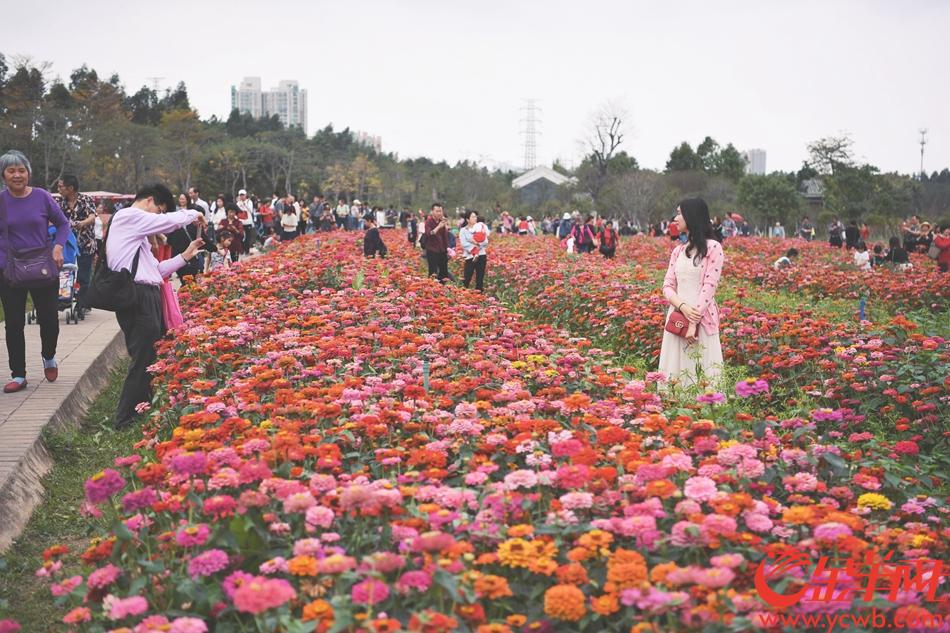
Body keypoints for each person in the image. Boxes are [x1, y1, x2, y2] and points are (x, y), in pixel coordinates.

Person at [105, 183, 205, 428]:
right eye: (159, 210)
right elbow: (167, 223)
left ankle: (142, 408)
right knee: (144, 357)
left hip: (147, 294)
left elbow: (155, 271)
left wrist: (185, 256)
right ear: (150, 201)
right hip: (136, 296)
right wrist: (192, 214)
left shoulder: (137, 238)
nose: (158, 217)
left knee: (151, 354)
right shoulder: (128, 216)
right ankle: (125, 418)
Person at [0, 151, 70, 392]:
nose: (17, 175)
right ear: (4, 176)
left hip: (42, 265)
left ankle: (48, 356)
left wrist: (58, 248)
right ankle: (18, 374)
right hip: (10, 269)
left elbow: (63, 223)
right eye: (11, 171)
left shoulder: (41, 196)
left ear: (28, 172)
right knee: (14, 323)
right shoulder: (1, 201)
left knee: (50, 319)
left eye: (21, 170)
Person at [658, 198, 724, 388]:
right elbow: (667, 286)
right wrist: (682, 307)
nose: (675, 218)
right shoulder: (678, 251)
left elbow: (709, 287)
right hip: (678, 317)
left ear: (692, 216)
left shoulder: (713, 248)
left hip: (700, 320)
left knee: (700, 373)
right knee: (676, 373)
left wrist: (693, 322)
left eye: (679, 213)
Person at [56, 175, 96, 317]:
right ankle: (64, 299)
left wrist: (83, 223)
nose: (58, 189)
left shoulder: (86, 200)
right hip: (67, 245)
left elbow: (92, 216)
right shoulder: (59, 203)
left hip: (85, 243)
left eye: (61, 186)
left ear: (70, 188)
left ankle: (82, 304)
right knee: (66, 271)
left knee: (84, 276)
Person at [459, 210, 489, 290]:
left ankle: (479, 297)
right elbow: (464, 244)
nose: (475, 218)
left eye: (476, 216)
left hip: (482, 255)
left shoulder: (480, 228)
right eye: (473, 217)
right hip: (470, 256)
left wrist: (477, 244)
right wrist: (474, 248)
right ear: (467, 219)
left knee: (480, 278)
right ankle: (463, 296)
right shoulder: (463, 230)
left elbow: (486, 241)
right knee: (467, 278)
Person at [423, 203, 450, 282]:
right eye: (437, 211)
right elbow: (429, 233)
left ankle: (443, 288)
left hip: (442, 250)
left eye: (440, 211)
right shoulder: (429, 221)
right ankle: (432, 289)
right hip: (432, 250)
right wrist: (439, 226)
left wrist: (447, 248)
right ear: (432, 212)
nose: (439, 213)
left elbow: (445, 236)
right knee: (433, 272)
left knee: (444, 272)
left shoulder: (442, 221)